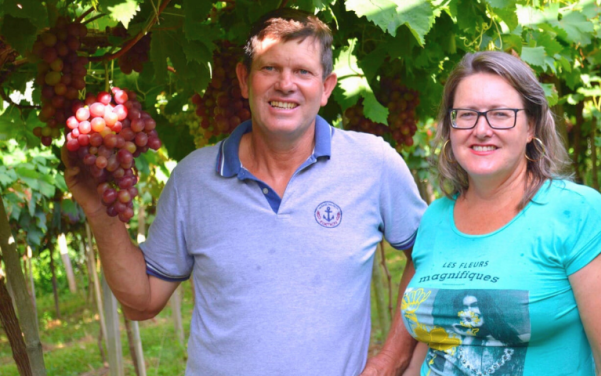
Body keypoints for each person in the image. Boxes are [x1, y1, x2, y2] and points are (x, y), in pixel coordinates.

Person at [63, 8, 428, 376]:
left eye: (303, 71)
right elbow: (141, 303)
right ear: (243, 79)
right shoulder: (194, 179)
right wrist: (99, 212)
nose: (286, 84)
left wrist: (391, 359)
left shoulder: (373, 164)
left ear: (326, 88)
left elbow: (427, 256)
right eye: (270, 68)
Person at [400, 50, 601, 376]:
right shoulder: (435, 219)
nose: (481, 129)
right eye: (466, 114)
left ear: (531, 126)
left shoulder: (578, 214)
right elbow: (433, 338)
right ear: (450, 127)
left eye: (500, 114)